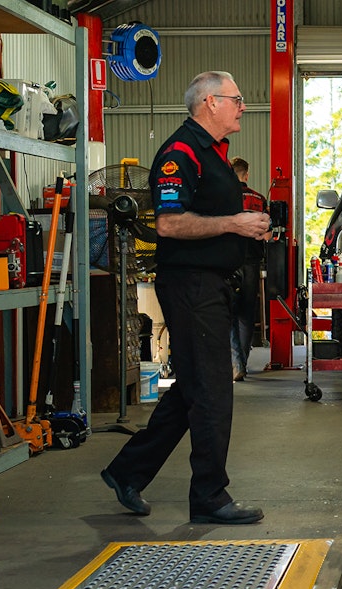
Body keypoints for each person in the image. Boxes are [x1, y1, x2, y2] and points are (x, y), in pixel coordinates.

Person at [100, 71, 270, 525]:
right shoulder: (180, 153)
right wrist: (235, 223)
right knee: (213, 390)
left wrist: (243, 224)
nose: (243, 107)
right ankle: (210, 497)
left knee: (193, 390)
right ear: (210, 103)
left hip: (210, 281)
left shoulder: (212, 152)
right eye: (236, 99)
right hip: (191, 284)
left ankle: (127, 471)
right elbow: (169, 225)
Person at [229, 156, 267, 381]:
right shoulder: (259, 199)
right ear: (247, 174)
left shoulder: (223, 197)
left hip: (228, 261)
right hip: (252, 261)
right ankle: (241, 362)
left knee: (228, 313)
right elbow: (268, 233)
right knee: (246, 314)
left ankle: (236, 365)